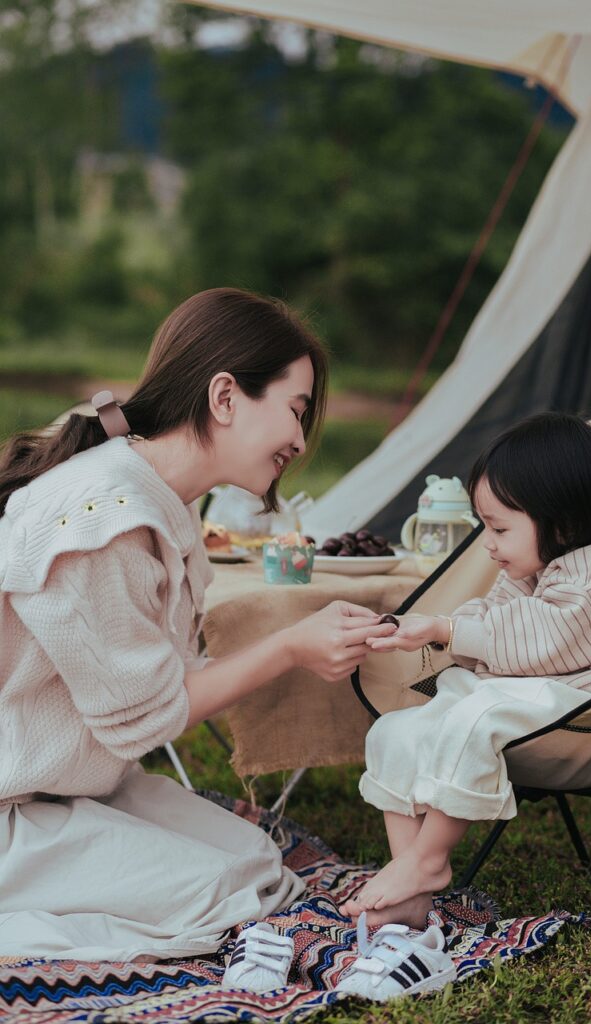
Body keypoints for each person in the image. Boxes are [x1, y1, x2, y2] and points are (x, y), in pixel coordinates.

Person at [0, 287, 396, 961]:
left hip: (66, 790)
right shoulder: (102, 522)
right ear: (224, 397)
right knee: (227, 896)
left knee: (259, 863)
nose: (301, 440)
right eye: (295, 412)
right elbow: (147, 720)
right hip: (15, 807)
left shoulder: (163, 505)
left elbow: (164, 679)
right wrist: (290, 647)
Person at [340, 413, 591, 929]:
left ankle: (428, 862)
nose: (488, 543)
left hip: (589, 703)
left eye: (499, 528)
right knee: (395, 730)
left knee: (478, 714)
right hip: (528, 691)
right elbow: (492, 616)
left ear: (564, 524)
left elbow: (546, 639)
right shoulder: (534, 563)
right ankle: (408, 876)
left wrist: (447, 628)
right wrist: (436, 627)